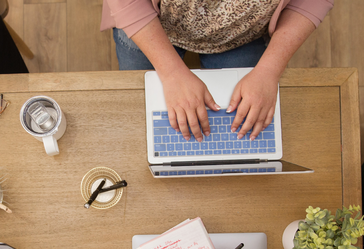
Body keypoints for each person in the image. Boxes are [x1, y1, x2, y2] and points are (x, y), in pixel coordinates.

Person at [101, 0, 333, 143]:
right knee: (139, 126)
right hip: (150, 21)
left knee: (247, 132)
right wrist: (171, 73)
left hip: (240, 36)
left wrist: (269, 71)